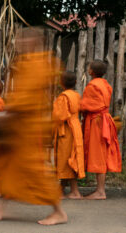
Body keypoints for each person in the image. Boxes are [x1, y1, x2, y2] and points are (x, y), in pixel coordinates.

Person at [0, 27, 66, 226]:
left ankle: (59, 211)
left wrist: (9, 109)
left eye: (23, 41)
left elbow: (28, 97)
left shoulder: (41, 63)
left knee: (33, 169)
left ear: (33, 42)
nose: (19, 44)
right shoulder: (26, 63)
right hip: (18, 124)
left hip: (28, 124)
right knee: (11, 168)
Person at [80, 60, 121, 200]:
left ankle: (100, 191)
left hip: (97, 122)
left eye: (89, 67)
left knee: (98, 155)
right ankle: (100, 190)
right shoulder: (105, 84)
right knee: (102, 153)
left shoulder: (92, 85)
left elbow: (87, 105)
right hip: (104, 119)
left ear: (91, 71)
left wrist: (79, 106)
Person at [52, 71, 85, 199]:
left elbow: (60, 116)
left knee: (67, 158)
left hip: (66, 129)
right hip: (75, 127)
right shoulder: (76, 95)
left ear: (61, 83)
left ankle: (75, 191)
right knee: (72, 156)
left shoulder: (63, 97)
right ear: (76, 82)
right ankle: (61, 189)